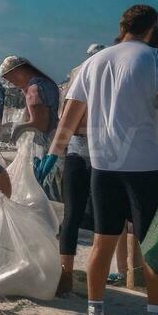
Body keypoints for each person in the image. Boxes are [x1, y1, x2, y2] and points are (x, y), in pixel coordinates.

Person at [41, 3, 158, 315]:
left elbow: (69, 115)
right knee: (155, 245)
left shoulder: (92, 63)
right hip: (147, 166)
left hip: (103, 166)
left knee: (103, 239)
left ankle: (95, 314)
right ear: (153, 27)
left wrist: (54, 154)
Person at [57, 44, 105, 296]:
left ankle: (66, 274)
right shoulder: (109, 71)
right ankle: (74, 275)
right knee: (102, 218)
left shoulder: (77, 74)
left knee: (72, 215)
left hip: (78, 149)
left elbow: (64, 115)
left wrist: (58, 152)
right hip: (102, 153)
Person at [0, 55, 61, 143]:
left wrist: (19, 129)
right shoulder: (45, 83)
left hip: (46, 141)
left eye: (12, 79)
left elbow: (41, 125)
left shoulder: (34, 90)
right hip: (57, 136)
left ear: (20, 72)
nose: (12, 83)